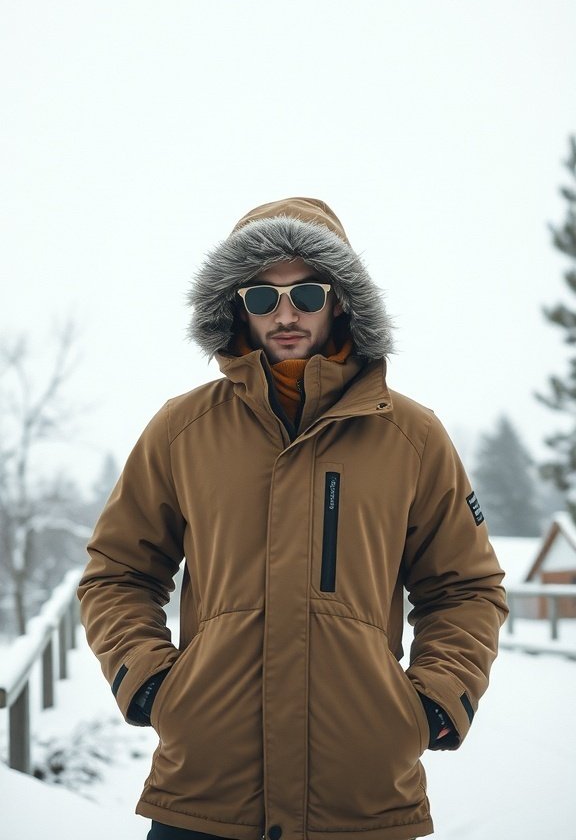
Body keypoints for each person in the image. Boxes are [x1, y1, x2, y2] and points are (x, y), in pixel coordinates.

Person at [78, 197, 507, 840]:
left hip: (362, 799)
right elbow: (117, 572)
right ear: (235, 304)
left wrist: (434, 702)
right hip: (204, 792)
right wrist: (149, 682)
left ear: (339, 300)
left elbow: (466, 588)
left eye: (306, 292)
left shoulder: (412, 437)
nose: (285, 313)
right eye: (262, 297)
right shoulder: (181, 430)